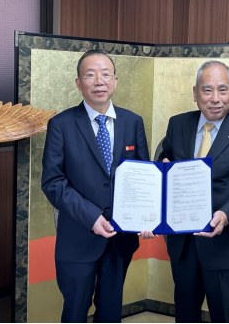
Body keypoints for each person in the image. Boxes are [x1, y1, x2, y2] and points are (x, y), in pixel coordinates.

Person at [41, 50, 150, 323]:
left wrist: (148, 217)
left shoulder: (133, 122)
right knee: (75, 312)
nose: (99, 81)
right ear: (79, 83)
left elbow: (143, 177)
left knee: (111, 313)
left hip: (121, 237)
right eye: (90, 75)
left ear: (115, 80)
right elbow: (53, 183)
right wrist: (92, 217)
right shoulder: (61, 125)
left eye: (105, 75)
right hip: (78, 237)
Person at [158, 60, 229, 323]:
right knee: (185, 316)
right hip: (183, 244)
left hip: (225, 244)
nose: (215, 98)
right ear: (195, 93)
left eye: (223, 89)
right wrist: (163, 166)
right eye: (207, 90)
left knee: (228, 317)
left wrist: (226, 214)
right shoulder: (178, 124)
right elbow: (166, 159)